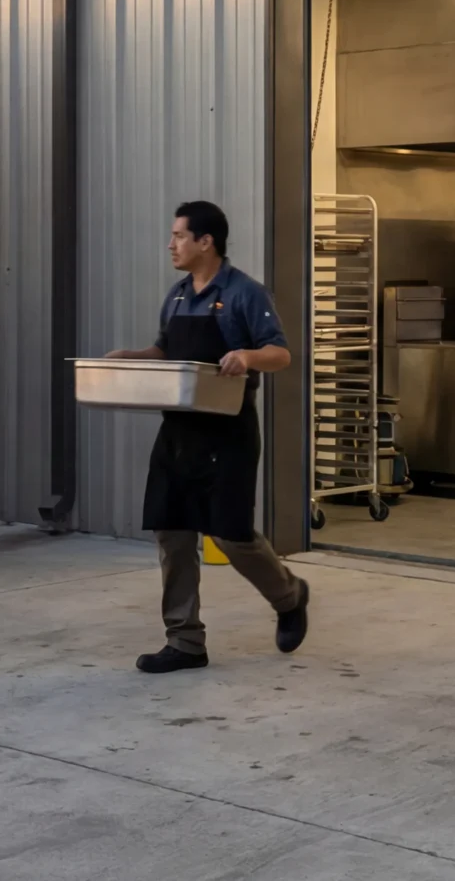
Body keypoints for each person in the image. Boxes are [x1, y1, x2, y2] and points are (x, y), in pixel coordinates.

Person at [103, 201, 310, 674]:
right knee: (172, 532)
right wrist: (132, 356)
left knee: (231, 535)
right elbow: (166, 348)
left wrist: (247, 357)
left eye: (178, 236)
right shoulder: (177, 295)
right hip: (177, 431)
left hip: (227, 434)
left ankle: (288, 595)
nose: (171, 244)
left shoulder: (244, 294)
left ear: (205, 242)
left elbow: (280, 354)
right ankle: (185, 641)